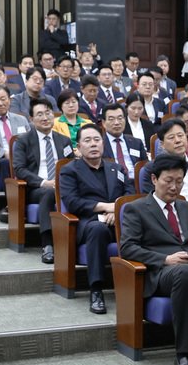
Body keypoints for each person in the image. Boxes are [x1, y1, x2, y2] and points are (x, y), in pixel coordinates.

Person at [119, 153, 188, 365]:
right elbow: (127, 248)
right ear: (154, 179)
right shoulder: (136, 209)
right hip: (160, 273)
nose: (174, 187)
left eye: (179, 181)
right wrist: (165, 259)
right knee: (183, 273)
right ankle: (184, 354)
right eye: (169, 180)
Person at [58, 124, 135, 314]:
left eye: (97, 140)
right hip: (87, 222)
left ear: (103, 143)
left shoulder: (116, 168)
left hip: (117, 220)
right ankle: (96, 290)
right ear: (79, 146)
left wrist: (115, 210)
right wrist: (105, 208)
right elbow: (73, 202)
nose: (93, 144)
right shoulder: (70, 170)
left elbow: (129, 193)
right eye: (87, 140)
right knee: (97, 229)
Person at [12, 99, 74, 264]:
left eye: (48, 113)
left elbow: (71, 165)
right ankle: (48, 244)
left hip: (63, 186)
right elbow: (19, 169)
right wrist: (44, 182)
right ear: (31, 119)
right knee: (48, 193)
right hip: (36, 188)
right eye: (40, 114)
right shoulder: (23, 141)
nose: (45, 118)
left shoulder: (64, 140)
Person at [138, 119, 188, 209]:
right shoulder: (151, 169)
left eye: (180, 135)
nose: (178, 140)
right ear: (162, 144)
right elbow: (152, 204)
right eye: (171, 137)